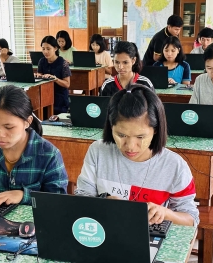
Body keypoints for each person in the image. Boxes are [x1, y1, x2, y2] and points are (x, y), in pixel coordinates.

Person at [75, 84, 199, 227]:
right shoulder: (98, 151)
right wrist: (103, 202)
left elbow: (192, 220)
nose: (130, 146)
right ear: (111, 126)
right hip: (103, 232)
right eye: (121, 135)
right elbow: (82, 200)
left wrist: (164, 213)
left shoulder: (175, 165)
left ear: (156, 130)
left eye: (140, 137)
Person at [36, 36, 71, 114]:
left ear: (55, 48)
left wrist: (56, 79)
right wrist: (38, 76)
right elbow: (39, 78)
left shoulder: (63, 62)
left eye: (48, 49)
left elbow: (67, 84)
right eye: (43, 49)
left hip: (59, 99)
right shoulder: (41, 61)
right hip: (44, 97)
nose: (45, 52)